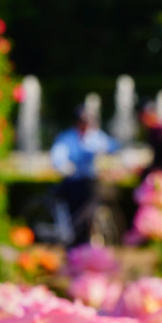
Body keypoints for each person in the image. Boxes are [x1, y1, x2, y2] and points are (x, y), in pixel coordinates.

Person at [49, 105, 120, 245]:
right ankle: (77, 238)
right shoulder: (67, 138)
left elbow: (113, 146)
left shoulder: (95, 136)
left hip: (90, 182)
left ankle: (85, 236)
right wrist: (68, 167)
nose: (87, 125)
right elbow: (58, 159)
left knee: (93, 197)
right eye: (84, 122)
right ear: (77, 122)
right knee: (81, 203)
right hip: (74, 182)